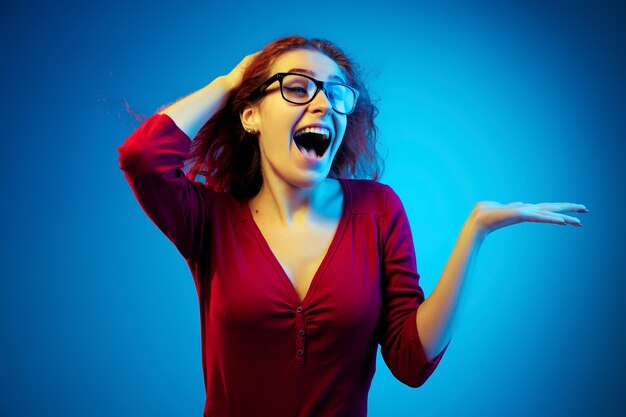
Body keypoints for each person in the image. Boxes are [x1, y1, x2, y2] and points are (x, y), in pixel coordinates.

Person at [117, 36, 588, 417]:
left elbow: (411, 361)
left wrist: (475, 233)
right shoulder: (210, 221)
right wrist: (232, 80)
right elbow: (143, 158)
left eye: (336, 92)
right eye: (297, 88)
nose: (322, 104)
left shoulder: (378, 211)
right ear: (251, 114)